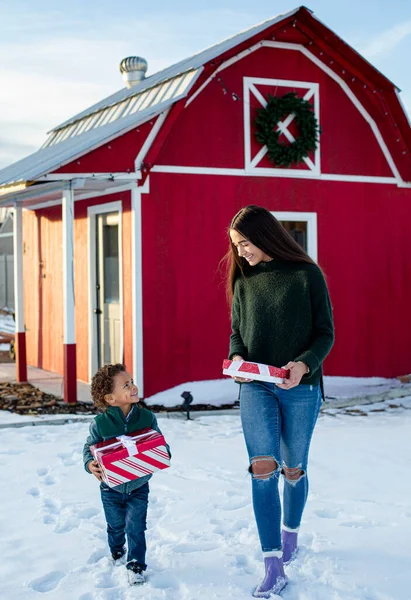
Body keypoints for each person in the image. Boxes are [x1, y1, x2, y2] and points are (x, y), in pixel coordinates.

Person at [225, 205, 334, 598]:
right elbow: (238, 334)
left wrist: (304, 366)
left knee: (292, 469)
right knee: (262, 469)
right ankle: (272, 563)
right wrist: (237, 359)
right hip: (256, 386)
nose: (240, 253)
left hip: (300, 389)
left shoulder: (307, 276)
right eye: (236, 246)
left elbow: (325, 334)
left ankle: (290, 536)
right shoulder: (244, 282)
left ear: (265, 237)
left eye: (245, 244)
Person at [83, 363, 170, 586]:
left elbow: (161, 443)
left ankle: (136, 565)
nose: (133, 387)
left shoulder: (147, 418)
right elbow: (89, 447)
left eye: (132, 382)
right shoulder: (100, 424)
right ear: (110, 398)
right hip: (110, 488)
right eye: (126, 385)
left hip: (139, 486)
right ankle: (116, 549)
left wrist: (162, 453)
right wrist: (89, 463)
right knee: (115, 525)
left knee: (136, 526)